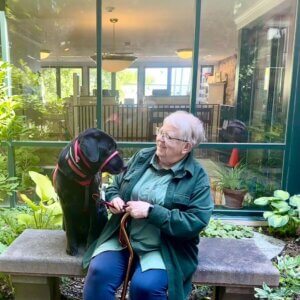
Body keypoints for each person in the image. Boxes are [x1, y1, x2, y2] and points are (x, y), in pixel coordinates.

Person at [82, 111, 214, 300]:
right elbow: (115, 186)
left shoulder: (197, 177)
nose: (160, 139)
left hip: (164, 247)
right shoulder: (142, 157)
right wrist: (115, 199)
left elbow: (196, 221)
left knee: (146, 287)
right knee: (98, 272)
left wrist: (151, 212)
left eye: (168, 136)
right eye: (161, 132)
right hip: (123, 239)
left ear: (186, 147)